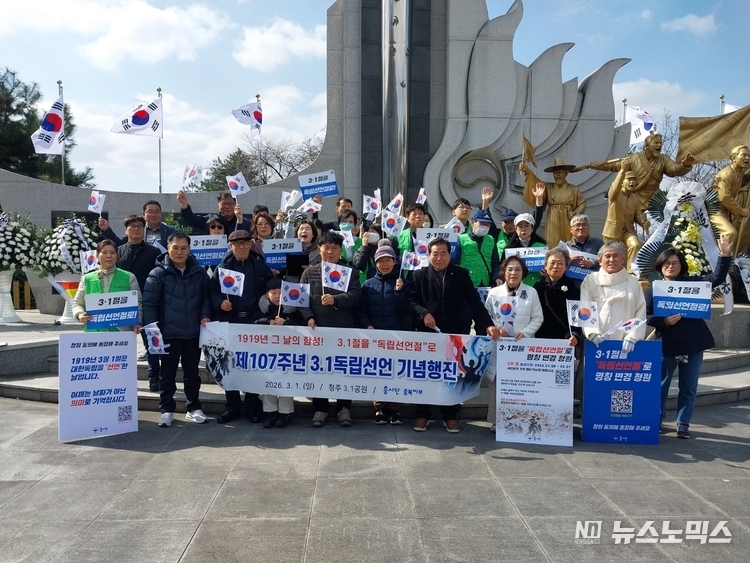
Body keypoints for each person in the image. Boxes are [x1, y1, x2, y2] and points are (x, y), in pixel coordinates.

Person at [407, 237, 501, 432]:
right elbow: (411, 300)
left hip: (455, 333)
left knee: (453, 374)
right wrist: (424, 313)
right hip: (428, 333)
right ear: (428, 255)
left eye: (443, 253)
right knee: (427, 373)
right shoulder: (419, 275)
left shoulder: (460, 274)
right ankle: (422, 414)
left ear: (450, 255)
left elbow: (474, 301)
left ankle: (450, 414)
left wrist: (488, 325)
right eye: (435, 254)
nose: (439, 258)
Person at [645, 235, 732, 438]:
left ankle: (683, 422)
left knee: (689, 386)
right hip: (666, 344)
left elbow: (716, 278)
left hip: (693, 343)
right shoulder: (653, 289)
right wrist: (665, 321)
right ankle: (657, 419)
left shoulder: (694, 284)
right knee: (660, 385)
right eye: (667, 263)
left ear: (681, 266)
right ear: (660, 267)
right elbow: (646, 316)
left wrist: (724, 255)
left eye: (675, 263)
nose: (671, 266)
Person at [143, 232, 211, 427]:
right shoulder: (157, 274)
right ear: (168, 248)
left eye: (183, 248)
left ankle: (194, 407)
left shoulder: (199, 272)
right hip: (168, 333)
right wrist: (152, 328)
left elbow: (206, 297)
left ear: (189, 250)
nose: (179, 252)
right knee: (167, 374)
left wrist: (205, 314)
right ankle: (166, 409)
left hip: (193, 333)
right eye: (175, 248)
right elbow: (149, 304)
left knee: (192, 373)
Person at [209, 229, 273, 424]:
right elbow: (212, 291)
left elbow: (270, 291)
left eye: (245, 243)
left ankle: (252, 406)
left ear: (251, 244)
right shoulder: (223, 268)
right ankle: (232, 407)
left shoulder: (260, 266)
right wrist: (220, 302)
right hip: (231, 321)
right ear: (231, 246)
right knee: (229, 365)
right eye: (237, 244)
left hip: (254, 322)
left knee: (253, 366)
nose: (242, 247)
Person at [299, 231, 362, 427]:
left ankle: (344, 408)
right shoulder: (309, 273)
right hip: (318, 330)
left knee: (343, 370)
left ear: (340, 250)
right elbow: (301, 300)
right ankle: (320, 409)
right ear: (319, 249)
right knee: (318, 369)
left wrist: (336, 300)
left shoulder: (349, 272)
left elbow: (356, 296)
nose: (330, 252)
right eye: (326, 247)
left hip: (343, 330)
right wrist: (309, 317)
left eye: (335, 248)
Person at [485, 255, 543, 431]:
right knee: (498, 383)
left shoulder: (531, 292)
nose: (513, 273)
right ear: (504, 272)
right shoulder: (494, 293)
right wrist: (495, 328)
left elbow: (538, 318)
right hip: (499, 344)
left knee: (520, 384)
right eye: (510, 269)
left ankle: (520, 421)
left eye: (518, 269)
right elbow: (486, 316)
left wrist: (525, 332)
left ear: (523, 272)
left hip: (522, 346)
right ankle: (497, 421)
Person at [358, 239, 410, 425]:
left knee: (397, 372)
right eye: (381, 260)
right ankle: (379, 408)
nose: (385, 264)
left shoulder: (404, 283)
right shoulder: (368, 285)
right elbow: (361, 311)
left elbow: (407, 310)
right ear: (376, 263)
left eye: (388, 260)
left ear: (395, 262)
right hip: (376, 337)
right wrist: (367, 326)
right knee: (377, 371)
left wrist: (399, 292)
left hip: (397, 337)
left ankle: (394, 409)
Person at [578, 132, 694, 212]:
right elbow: (612, 166)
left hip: (654, 198)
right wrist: (594, 165)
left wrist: (685, 164)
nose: (659, 145)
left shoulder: (663, 159)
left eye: (660, 143)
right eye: (656, 143)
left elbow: (674, 170)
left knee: (668, 214)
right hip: (634, 196)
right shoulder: (634, 159)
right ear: (647, 146)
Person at [115, 215, 161, 390]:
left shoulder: (154, 251)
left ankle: (154, 375)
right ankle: (121, 376)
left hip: (147, 302)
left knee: (150, 341)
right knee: (122, 342)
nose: (136, 229)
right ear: (125, 229)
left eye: (140, 226)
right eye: (132, 226)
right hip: (122, 304)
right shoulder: (118, 251)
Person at [534, 247, 583, 399]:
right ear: (545, 265)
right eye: (552, 263)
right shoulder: (537, 287)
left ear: (566, 266)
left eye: (560, 263)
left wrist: (575, 335)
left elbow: (577, 316)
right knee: (540, 380)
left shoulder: (574, 288)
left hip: (564, 341)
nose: (556, 266)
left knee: (560, 382)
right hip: (540, 340)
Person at [580, 241, 647, 352]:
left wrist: (633, 336)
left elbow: (640, 311)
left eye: (616, 256)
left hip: (625, 344)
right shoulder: (590, 280)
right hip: (596, 343)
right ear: (600, 261)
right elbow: (585, 309)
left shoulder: (633, 283)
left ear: (622, 259)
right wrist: (592, 332)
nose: (612, 260)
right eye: (607, 256)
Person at [253, 278, 302, 428]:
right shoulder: (262, 308)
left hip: (288, 354)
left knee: (286, 382)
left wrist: (286, 323)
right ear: (267, 294)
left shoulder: (293, 310)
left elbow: (302, 328)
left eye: (280, 293)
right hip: (267, 353)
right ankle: (270, 411)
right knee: (268, 381)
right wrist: (266, 322)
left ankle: (285, 412)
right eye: (273, 293)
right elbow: (252, 323)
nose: (276, 296)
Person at [72, 240, 142, 333]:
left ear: (117, 256)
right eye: (104, 252)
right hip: (94, 333)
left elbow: (138, 303)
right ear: (97, 256)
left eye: (112, 253)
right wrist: (79, 315)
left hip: (121, 334)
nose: (109, 256)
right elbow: (77, 303)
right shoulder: (87, 279)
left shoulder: (129, 277)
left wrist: (137, 322)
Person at [520, 157, 586, 246]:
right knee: (552, 241)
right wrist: (527, 171)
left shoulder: (574, 189)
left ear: (566, 173)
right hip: (553, 219)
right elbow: (537, 182)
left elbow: (582, 203)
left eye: (560, 172)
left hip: (568, 219)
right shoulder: (548, 187)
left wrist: (575, 213)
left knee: (570, 242)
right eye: (555, 173)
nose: (557, 175)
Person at [602, 171, 650, 273]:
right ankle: (610, 272)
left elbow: (638, 214)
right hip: (613, 230)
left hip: (627, 230)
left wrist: (643, 222)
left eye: (634, 180)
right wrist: (622, 171)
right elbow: (615, 186)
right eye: (629, 179)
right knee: (611, 252)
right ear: (622, 181)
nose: (632, 182)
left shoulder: (635, 198)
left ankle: (631, 272)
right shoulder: (614, 193)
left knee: (635, 245)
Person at [710, 145, 750, 251]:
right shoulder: (726, 174)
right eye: (744, 155)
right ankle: (722, 258)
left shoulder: (739, 172)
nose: (747, 158)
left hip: (727, 211)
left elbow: (745, 179)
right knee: (730, 233)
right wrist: (740, 210)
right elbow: (724, 197)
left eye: (749, 156)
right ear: (734, 157)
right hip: (715, 211)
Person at [98, 200, 176, 249]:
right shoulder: (137, 229)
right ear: (143, 214)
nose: (153, 214)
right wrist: (106, 229)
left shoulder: (170, 231)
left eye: (156, 211)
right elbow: (119, 244)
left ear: (160, 214)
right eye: (150, 212)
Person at [453, 209, 500, 287]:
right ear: (472, 222)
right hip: (466, 284)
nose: (484, 226)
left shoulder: (491, 240)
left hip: (485, 283)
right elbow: (454, 264)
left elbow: (495, 263)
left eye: (487, 224)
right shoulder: (460, 239)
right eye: (482, 223)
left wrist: (497, 277)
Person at [177, 189, 251, 234]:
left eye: (230, 204)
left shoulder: (245, 223)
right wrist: (184, 204)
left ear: (235, 204)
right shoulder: (210, 220)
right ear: (218, 204)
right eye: (223, 204)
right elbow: (191, 220)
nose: (227, 207)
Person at [504, 212, 547, 287]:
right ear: (515, 229)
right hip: (517, 287)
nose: (523, 229)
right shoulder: (510, 248)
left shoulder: (541, 246)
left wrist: (547, 274)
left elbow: (548, 267)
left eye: (527, 226)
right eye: (520, 226)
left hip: (538, 286)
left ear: (532, 228)